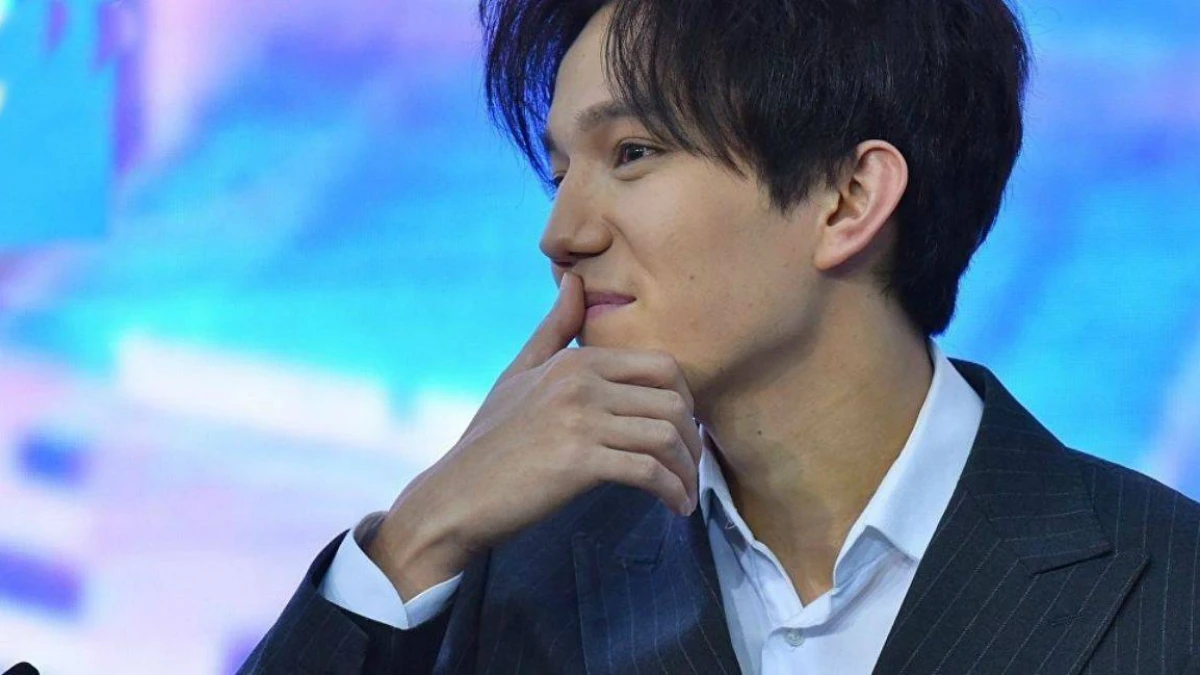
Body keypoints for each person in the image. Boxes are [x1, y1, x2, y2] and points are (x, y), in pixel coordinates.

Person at [239, 1, 1200, 673]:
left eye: (632, 153)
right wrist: (418, 533)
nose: (562, 233)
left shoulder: (1171, 583)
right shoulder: (517, 577)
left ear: (847, 198)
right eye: (560, 172)